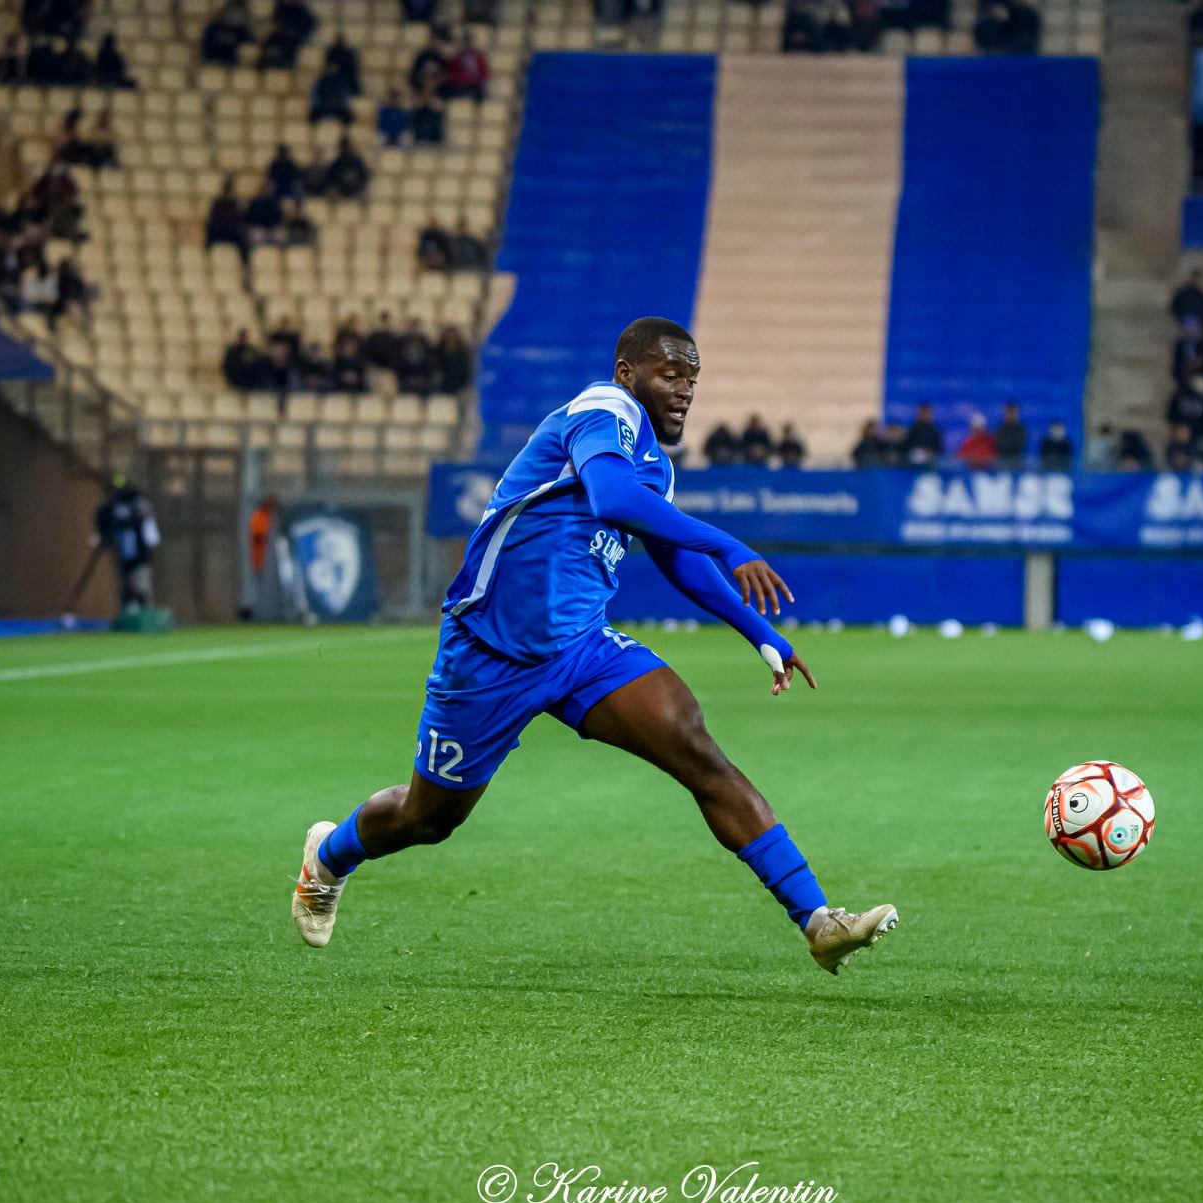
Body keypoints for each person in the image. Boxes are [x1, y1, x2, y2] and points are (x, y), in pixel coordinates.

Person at [288, 317, 897, 973]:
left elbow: (676, 561)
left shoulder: (655, 466)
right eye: (671, 375)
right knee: (428, 818)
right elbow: (609, 499)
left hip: (582, 649)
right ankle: (330, 855)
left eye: (692, 380)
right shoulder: (601, 409)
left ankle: (816, 918)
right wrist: (728, 541)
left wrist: (760, 632)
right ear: (627, 373)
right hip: (488, 650)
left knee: (695, 746)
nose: (684, 392)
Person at [93, 475, 161, 613]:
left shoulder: (139, 503)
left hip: (140, 555)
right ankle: (128, 614)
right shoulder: (109, 506)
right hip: (122, 555)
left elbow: (150, 530)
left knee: (142, 585)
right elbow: (102, 521)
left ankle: (146, 615)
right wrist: (103, 537)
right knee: (125, 586)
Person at [994, 402, 1027, 467]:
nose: (1012, 414)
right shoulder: (1001, 428)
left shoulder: (1021, 428)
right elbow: (1000, 445)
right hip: (1003, 461)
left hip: (1017, 461)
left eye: (1014, 412)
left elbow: (1020, 446)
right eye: (1009, 412)